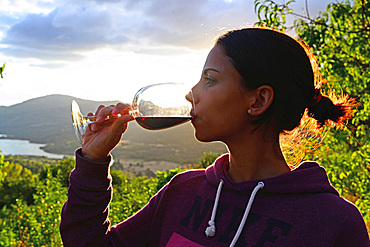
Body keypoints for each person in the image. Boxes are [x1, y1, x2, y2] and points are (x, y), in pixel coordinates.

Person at [60, 28, 370, 246]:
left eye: (210, 79)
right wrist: (92, 161)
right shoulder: (182, 192)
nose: (191, 93)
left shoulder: (332, 223)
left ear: (258, 100)